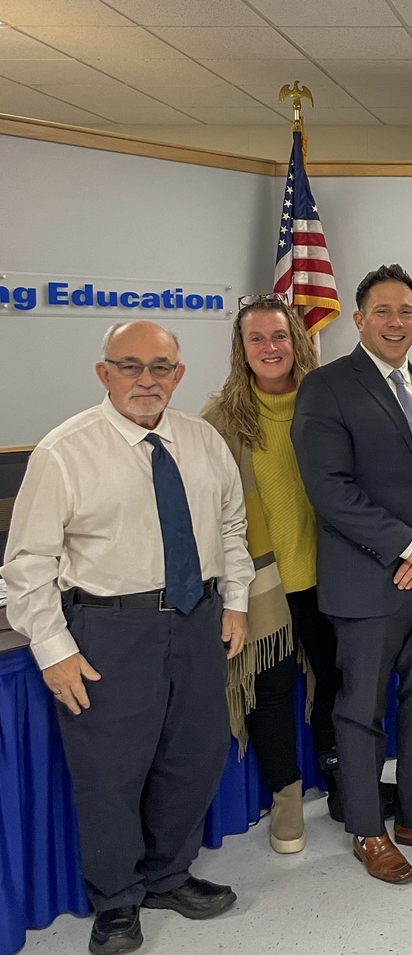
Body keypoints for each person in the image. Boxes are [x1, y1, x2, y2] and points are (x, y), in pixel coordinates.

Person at [2, 321, 254, 955]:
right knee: (110, 773)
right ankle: (115, 901)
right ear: (103, 372)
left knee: (194, 757)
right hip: (107, 629)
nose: (148, 379)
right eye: (132, 365)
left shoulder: (202, 441)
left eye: (162, 367)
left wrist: (237, 603)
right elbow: (27, 564)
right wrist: (55, 651)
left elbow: (231, 527)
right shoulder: (64, 452)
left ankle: (169, 876)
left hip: (196, 622)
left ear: (179, 373)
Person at [291, 264, 412, 885]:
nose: (396, 322)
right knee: (361, 709)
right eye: (383, 312)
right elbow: (329, 489)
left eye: (406, 312)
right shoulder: (326, 387)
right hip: (368, 582)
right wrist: (405, 547)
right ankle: (368, 830)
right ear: (360, 318)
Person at [202, 295, 345, 854]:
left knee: (336, 685)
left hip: (329, 576)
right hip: (262, 586)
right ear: (241, 348)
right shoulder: (219, 419)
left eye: (279, 336)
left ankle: (341, 787)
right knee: (270, 692)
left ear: (298, 340)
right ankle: (286, 802)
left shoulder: (327, 401)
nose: (269, 348)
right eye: (256, 338)